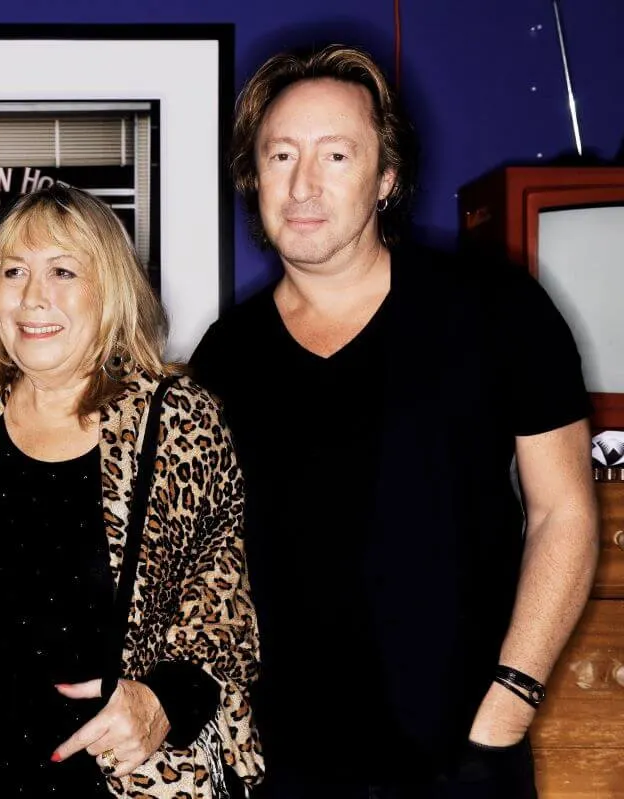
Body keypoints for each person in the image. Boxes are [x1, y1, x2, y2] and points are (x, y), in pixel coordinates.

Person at [189, 45, 599, 796]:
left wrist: (508, 702)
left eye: (335, 155)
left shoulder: (498, 311)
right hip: (282, 766)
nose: (303, 183)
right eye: (280, 155)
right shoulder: (225, 357)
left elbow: (564, 512)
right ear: (254, 177)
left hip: (460, 754)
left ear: (386, 177)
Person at [0, 183, 262, 798]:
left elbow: (222, 602)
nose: (33, 295)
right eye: (13, 271)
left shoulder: (175, 420)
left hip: (107, 781)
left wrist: (164, 700)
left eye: (63, 270)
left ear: (112, 290)